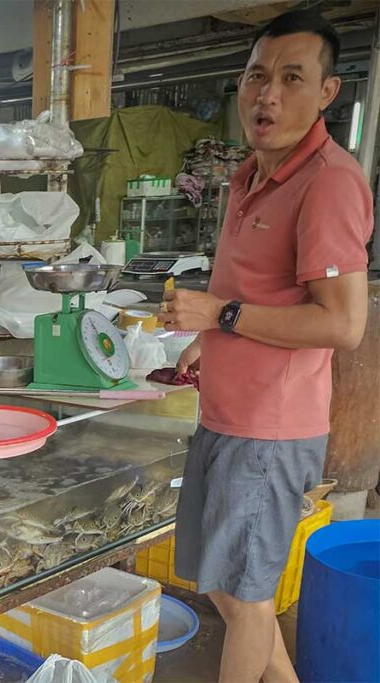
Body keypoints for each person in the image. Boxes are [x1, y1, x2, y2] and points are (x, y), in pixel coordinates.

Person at [159, 10, 372, 683]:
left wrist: (221, 313)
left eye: (291, 78)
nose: (268, 96)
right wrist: (208, 336)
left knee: (247, 599)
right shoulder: (251, 174)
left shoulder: (329, 182)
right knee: (225, 584)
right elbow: (259, 293)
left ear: (327, 93)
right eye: (256, 77)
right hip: (227, 415)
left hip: (270, 433)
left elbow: (342, 324)